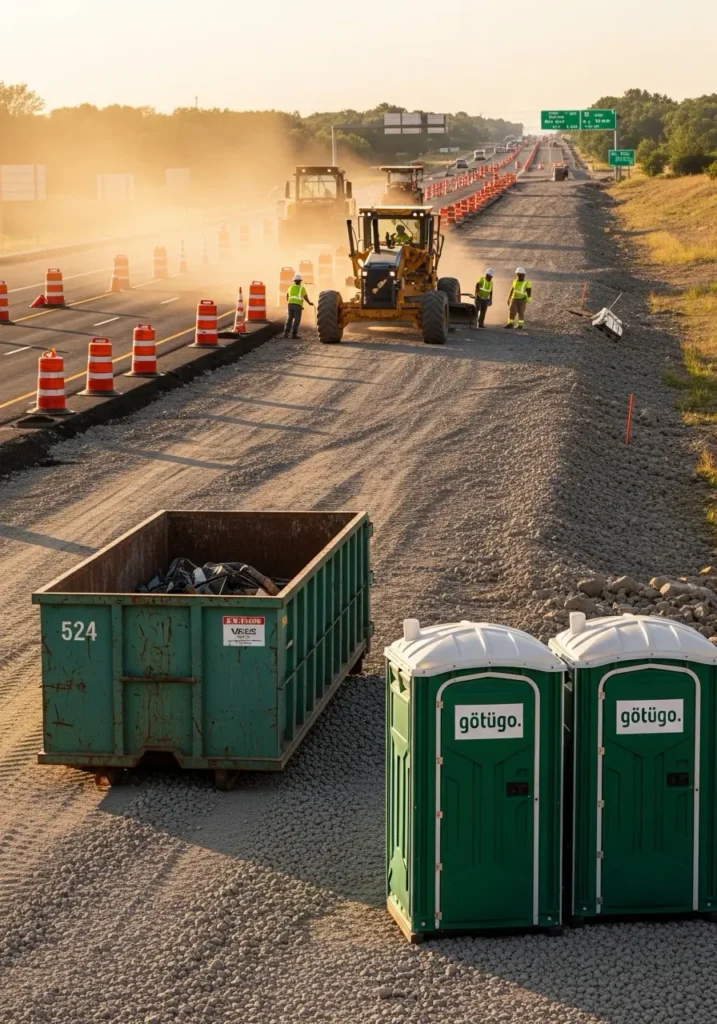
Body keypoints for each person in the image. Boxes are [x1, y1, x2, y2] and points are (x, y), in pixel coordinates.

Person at [283, 272, 313, 339]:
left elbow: (287, 296)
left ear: (294, 281)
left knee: (289, 319)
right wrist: (309, 303)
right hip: (297, 306)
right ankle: (294, 335)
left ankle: (286, 334)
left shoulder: (290, 287)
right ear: (300, 281)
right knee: (296, 320)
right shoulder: (302, 288)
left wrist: (289, 303)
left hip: (290, 305)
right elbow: (305, 297)